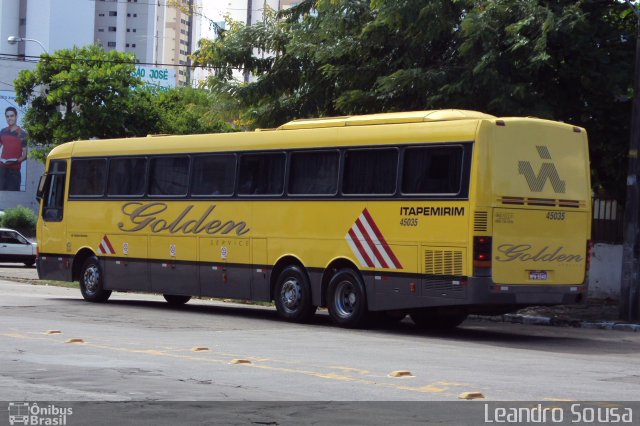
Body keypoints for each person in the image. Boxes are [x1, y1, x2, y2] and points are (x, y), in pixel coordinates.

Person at [0, 107, 27, 191]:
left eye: (12, 116)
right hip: (1, 170)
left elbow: (25, 155)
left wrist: (15, 161)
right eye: (7, 116)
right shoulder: (2, 131)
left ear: (16, 116)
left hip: (14, 172)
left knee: (12, 195)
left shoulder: (22, 134)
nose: (9, 118)